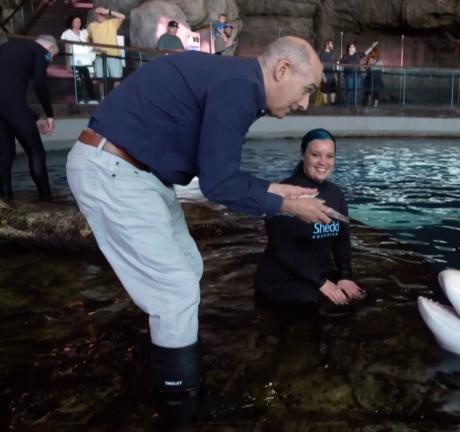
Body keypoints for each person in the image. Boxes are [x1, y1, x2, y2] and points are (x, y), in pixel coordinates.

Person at [65, 36, 329, 425]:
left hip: (140, 174)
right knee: (175, 293)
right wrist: (291, 206)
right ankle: (179, 411)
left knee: (189, 266)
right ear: (282, 70)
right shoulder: (241, 87)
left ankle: (180, 373)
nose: (305, 104)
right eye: (307, 90)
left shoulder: (235, 80)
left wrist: (276, 190)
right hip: (113, 169)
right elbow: (218, 185)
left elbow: (216, 172)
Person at [254, 128, 365, 307]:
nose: (323, 162)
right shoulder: (285, 191)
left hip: (318, 274)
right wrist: (321, 282)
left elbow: (342, 240)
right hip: (283, 278)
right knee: (316, 304)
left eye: (329, 156)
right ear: (302, 155)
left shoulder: (336, 194)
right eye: (316, 155)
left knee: (360, 296)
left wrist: (345, 276)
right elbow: (282, 249)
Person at [0, 35, 58, 202]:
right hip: (12, 105)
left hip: (4, 106)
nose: (49, 61)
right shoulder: (43, 52)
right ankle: (46, 199)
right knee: (36, 151)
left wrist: (34, 117)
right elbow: (39, 84)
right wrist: (50, 114)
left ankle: (5, 199)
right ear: (51, 49)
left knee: (5, 153)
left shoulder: (6, 48)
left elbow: (7, 92)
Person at [87, 6, 125, 93]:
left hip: (113, 54)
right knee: (101, 79)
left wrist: (108, 11)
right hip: (99, 56)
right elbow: (87, 38)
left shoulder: (111, 22)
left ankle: (116, 99)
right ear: (95, 15)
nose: (100, 15)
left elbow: (123, 16)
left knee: (117, 78)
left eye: (102, 14)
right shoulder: (91, 26)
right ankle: (103, 98)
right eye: (98, 14)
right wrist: (93, 46)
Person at [61, 15, 98, 104]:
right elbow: (66, 49)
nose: (78, 23)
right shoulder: (67, 33)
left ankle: (92, 98)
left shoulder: (84, 32)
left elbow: (89, 43)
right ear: (72, 22)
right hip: (75, 60)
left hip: (85, 59)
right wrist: (67, 63)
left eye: (79, 21)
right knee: (78, 80)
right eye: (76, 21)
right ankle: (80, 99)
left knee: (88, 79)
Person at [339, 41, 378, 107]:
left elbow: (365, 53)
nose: (354, 48)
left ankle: (355, 104)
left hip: (357, 75)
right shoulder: (345, 56)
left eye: (354, 47)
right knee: (350, 89)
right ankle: (347, 105)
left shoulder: (357, 55)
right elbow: (341, 64)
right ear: (349, 48)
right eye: (353, 47)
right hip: (349, 75)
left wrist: (372, 46)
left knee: (356, 90)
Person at [318, 39, 337, 106]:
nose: (332, 45)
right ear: (327, 45)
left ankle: (332, 104)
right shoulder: (322, 54)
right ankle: (326, 105)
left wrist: (335, 75)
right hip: (326, 75)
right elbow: (321, 66)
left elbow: (334, 65)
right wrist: (323, 76)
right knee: (325, 91)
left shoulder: (332, 54)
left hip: (332, 75)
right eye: (331, 44)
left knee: (333, 91)